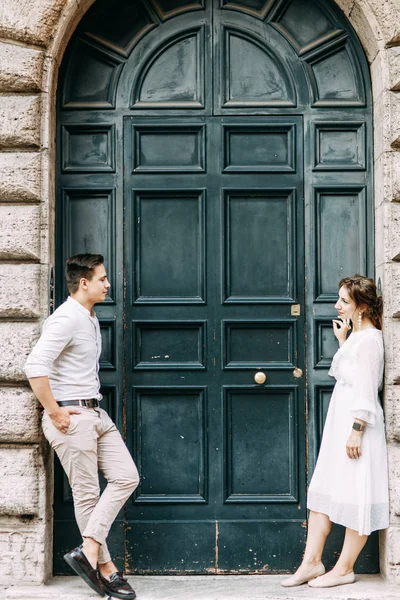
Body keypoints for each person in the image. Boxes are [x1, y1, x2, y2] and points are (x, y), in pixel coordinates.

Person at [25, 254, 139, 599]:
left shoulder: (87, 317)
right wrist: (55, 412)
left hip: (95, 414)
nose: (108, 284)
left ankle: (88, 548)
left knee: (126, 476)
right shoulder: (65, 319)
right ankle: (106, 569)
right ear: (84, 282)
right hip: (72, 418)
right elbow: (34, 365)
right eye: (102, 279)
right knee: (87, 496)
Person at [282, 275, 389, 588]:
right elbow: (350, 373)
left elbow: (368, 389)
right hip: (341, 424)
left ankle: (344, 569)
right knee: (324, 490)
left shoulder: (370, 341)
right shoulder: (358, 337)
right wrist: (344, 341)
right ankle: (311, 563)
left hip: (357, 426)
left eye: (344, 300)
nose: (336, 305)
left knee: (358, 494)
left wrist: (357, 430)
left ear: (362, 306)